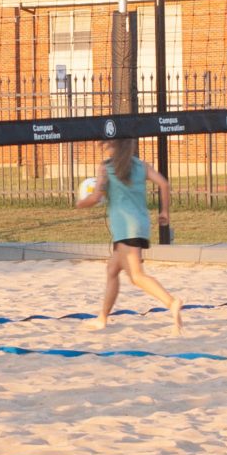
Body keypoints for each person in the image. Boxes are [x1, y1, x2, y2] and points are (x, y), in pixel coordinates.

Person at [74, 140, 183, 333]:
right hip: (139, 225)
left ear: (113, 146)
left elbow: (95, 198)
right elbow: (164, 184)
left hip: (126, 228)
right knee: (112, 270)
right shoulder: (141, 166)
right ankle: (102, 318)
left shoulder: (106, 168)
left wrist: (80, 203)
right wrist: (164, 212)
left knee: (136, 276)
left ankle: (171, 302)